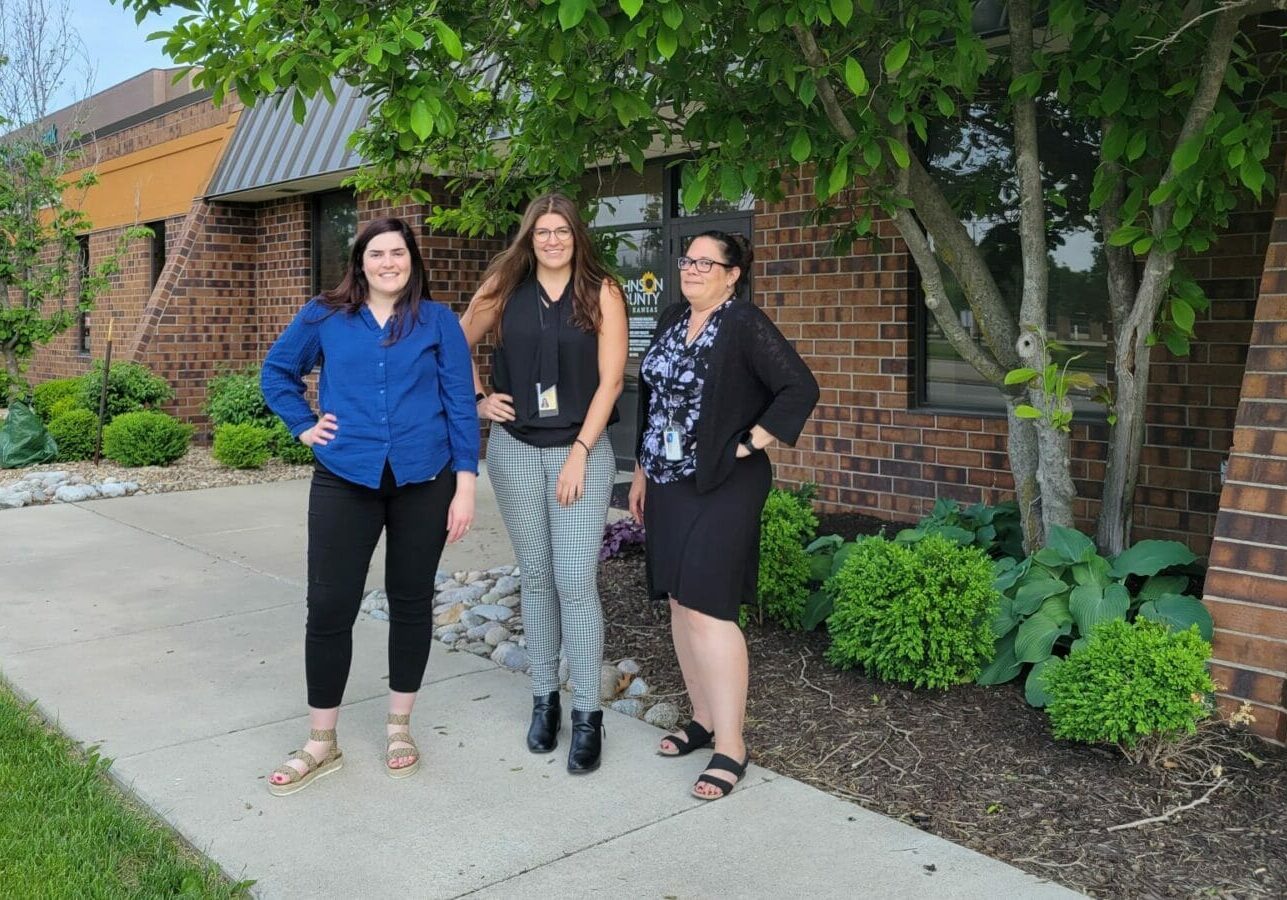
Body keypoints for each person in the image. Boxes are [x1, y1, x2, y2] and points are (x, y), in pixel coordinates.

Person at [260, 217, 478, 795]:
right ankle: (321, 741)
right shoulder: (324, 315)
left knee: (411, 602)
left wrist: (465, 485)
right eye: (376, 253)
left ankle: (399, 726)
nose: (388, 262)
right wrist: (304, 427)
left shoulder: (437, 321)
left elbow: (460, 404)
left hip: (424, 479)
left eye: (398, 253)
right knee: (330, 605)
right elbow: (277, 373)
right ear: (360, 262)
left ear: (413, 261)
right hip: (344, 476)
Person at [628, 230, 818, 801]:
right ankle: (703, 717)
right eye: (687, 260)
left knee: (710, 606)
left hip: (724, 483)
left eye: (705, 263)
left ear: (732, 274)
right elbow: (653, 401)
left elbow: (799, 387)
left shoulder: (742, 323)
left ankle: (731, 745)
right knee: (681, 604)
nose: (691, 269)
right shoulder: (668, 318)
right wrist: (640, 470)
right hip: (666, 481)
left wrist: (749, 442)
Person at [461, 192, 627, 774]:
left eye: (561, 230)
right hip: (515, 453)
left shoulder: (601, 292)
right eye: (541, 232)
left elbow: (610, 383)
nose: (552, 240)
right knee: (535, 576)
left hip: (580, 455)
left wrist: (581, 451)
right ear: (528, 239)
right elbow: (452, 347)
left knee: (576, 579)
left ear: (576, 235)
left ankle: (588, 714)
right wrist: (479, 401)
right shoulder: (503, 291)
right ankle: (543, 701)